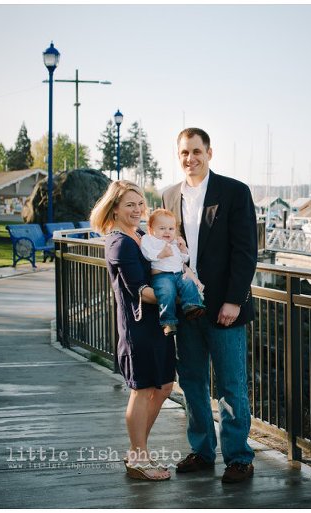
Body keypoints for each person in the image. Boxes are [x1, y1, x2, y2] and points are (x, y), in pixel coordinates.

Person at [162, 127, 258, 483]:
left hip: (224, 308)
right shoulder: (168, 195)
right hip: (187, 310)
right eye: (184, 152)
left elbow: (246, 251)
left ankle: (238, 457)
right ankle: (202, 450)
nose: (191, 158)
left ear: (209, 153)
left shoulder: (233, 192)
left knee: (231, 384)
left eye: (196, 151)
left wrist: (234, 300)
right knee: (192, 382)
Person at [89, 180, 175, 481]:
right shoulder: (119, 243)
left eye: (140, 204)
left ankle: (137, 449)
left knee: (164, 387)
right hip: (138, 328)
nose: (137, 210)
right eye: (130, 205)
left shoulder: (140, 234)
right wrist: (176, 295)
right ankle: (139, 456)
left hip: (158, 325)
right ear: (114, 208)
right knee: (142, 390)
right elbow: (140, 290)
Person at [140, 208, 206, 336]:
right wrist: (161, 254)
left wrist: (183, 249)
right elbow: (147, 253)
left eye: (171, 229)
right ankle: (168, 321)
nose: (167, 232)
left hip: (178, 273)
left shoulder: (174, 242)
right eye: (162, 228)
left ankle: (191, 306)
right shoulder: (148, 239)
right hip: (162, 275)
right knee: (166, 291)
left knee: (188, 283)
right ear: (151, 229)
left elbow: (183, 260)